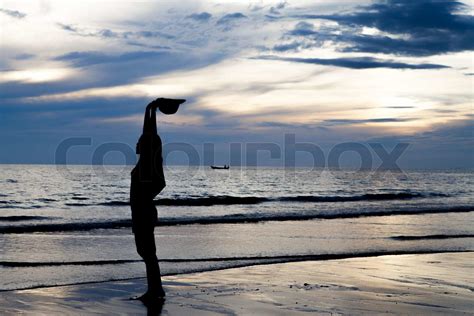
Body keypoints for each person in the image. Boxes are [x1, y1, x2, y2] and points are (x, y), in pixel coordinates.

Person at [130, 99, 167, 303]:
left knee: (147, 252)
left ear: (145, 148)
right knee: (146, 252)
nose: (136, 144)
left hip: (143, 212)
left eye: (139, 142)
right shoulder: (145, 164)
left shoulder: (146, 167)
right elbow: (149, 134)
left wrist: (150, 111)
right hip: (142, 212)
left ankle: (155, 290)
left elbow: (150, 137)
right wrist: (150, 110)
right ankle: (156, 288)